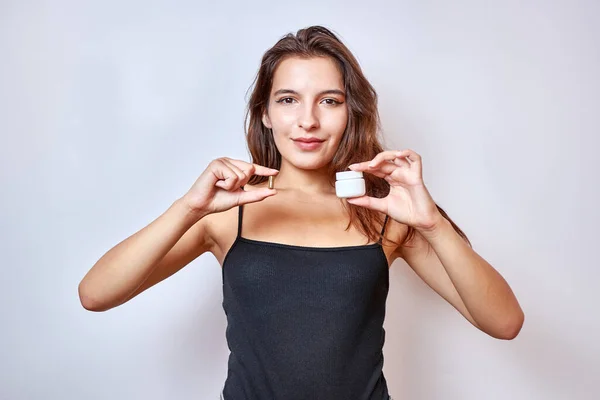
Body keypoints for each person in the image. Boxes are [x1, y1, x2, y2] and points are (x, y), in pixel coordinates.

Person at [78, 26, 524, 400]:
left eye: (329, 100)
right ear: (266, 114)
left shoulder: (385, 213)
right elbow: (96, 294)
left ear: (351, 112)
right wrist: (187, 208)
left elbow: (505, 323)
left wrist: (431, 223)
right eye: (288, 99)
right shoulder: (226, 212)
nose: (307, 120)